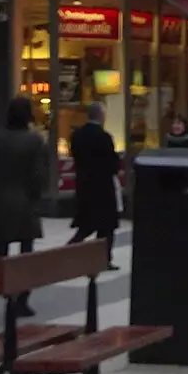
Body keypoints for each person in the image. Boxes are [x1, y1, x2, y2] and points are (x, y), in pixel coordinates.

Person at [0, 96, 48, 320]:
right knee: (26, 253)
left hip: (2, 201)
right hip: (26, 203)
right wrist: (35, 196)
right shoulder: (34, 141)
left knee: (0, 253)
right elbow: (38, 177)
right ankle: (22, 300)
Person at [68, 102, 120, 270]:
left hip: (84, 185)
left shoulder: (77, 136)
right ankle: (104, 259)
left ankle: (68, 251)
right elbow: (113, 165)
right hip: (103, 188)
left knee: (86, 226)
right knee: (107, 228)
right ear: (101, 116)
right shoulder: (104, 137)